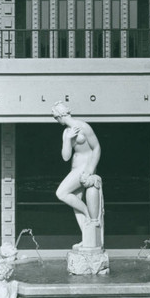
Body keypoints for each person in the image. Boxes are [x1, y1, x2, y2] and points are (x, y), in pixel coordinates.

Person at [52, 101, 101, 239]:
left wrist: (90, 169)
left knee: (61, 193)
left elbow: (97, 148)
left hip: (84, 168)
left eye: (55, 117)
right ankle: (87, 239)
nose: (56, 120)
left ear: (60, 115)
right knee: (75, 205)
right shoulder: (66, 132)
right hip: (74, 168)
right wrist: (67, 139)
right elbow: (66, 157)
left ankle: (88, 212)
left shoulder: (83, 126)